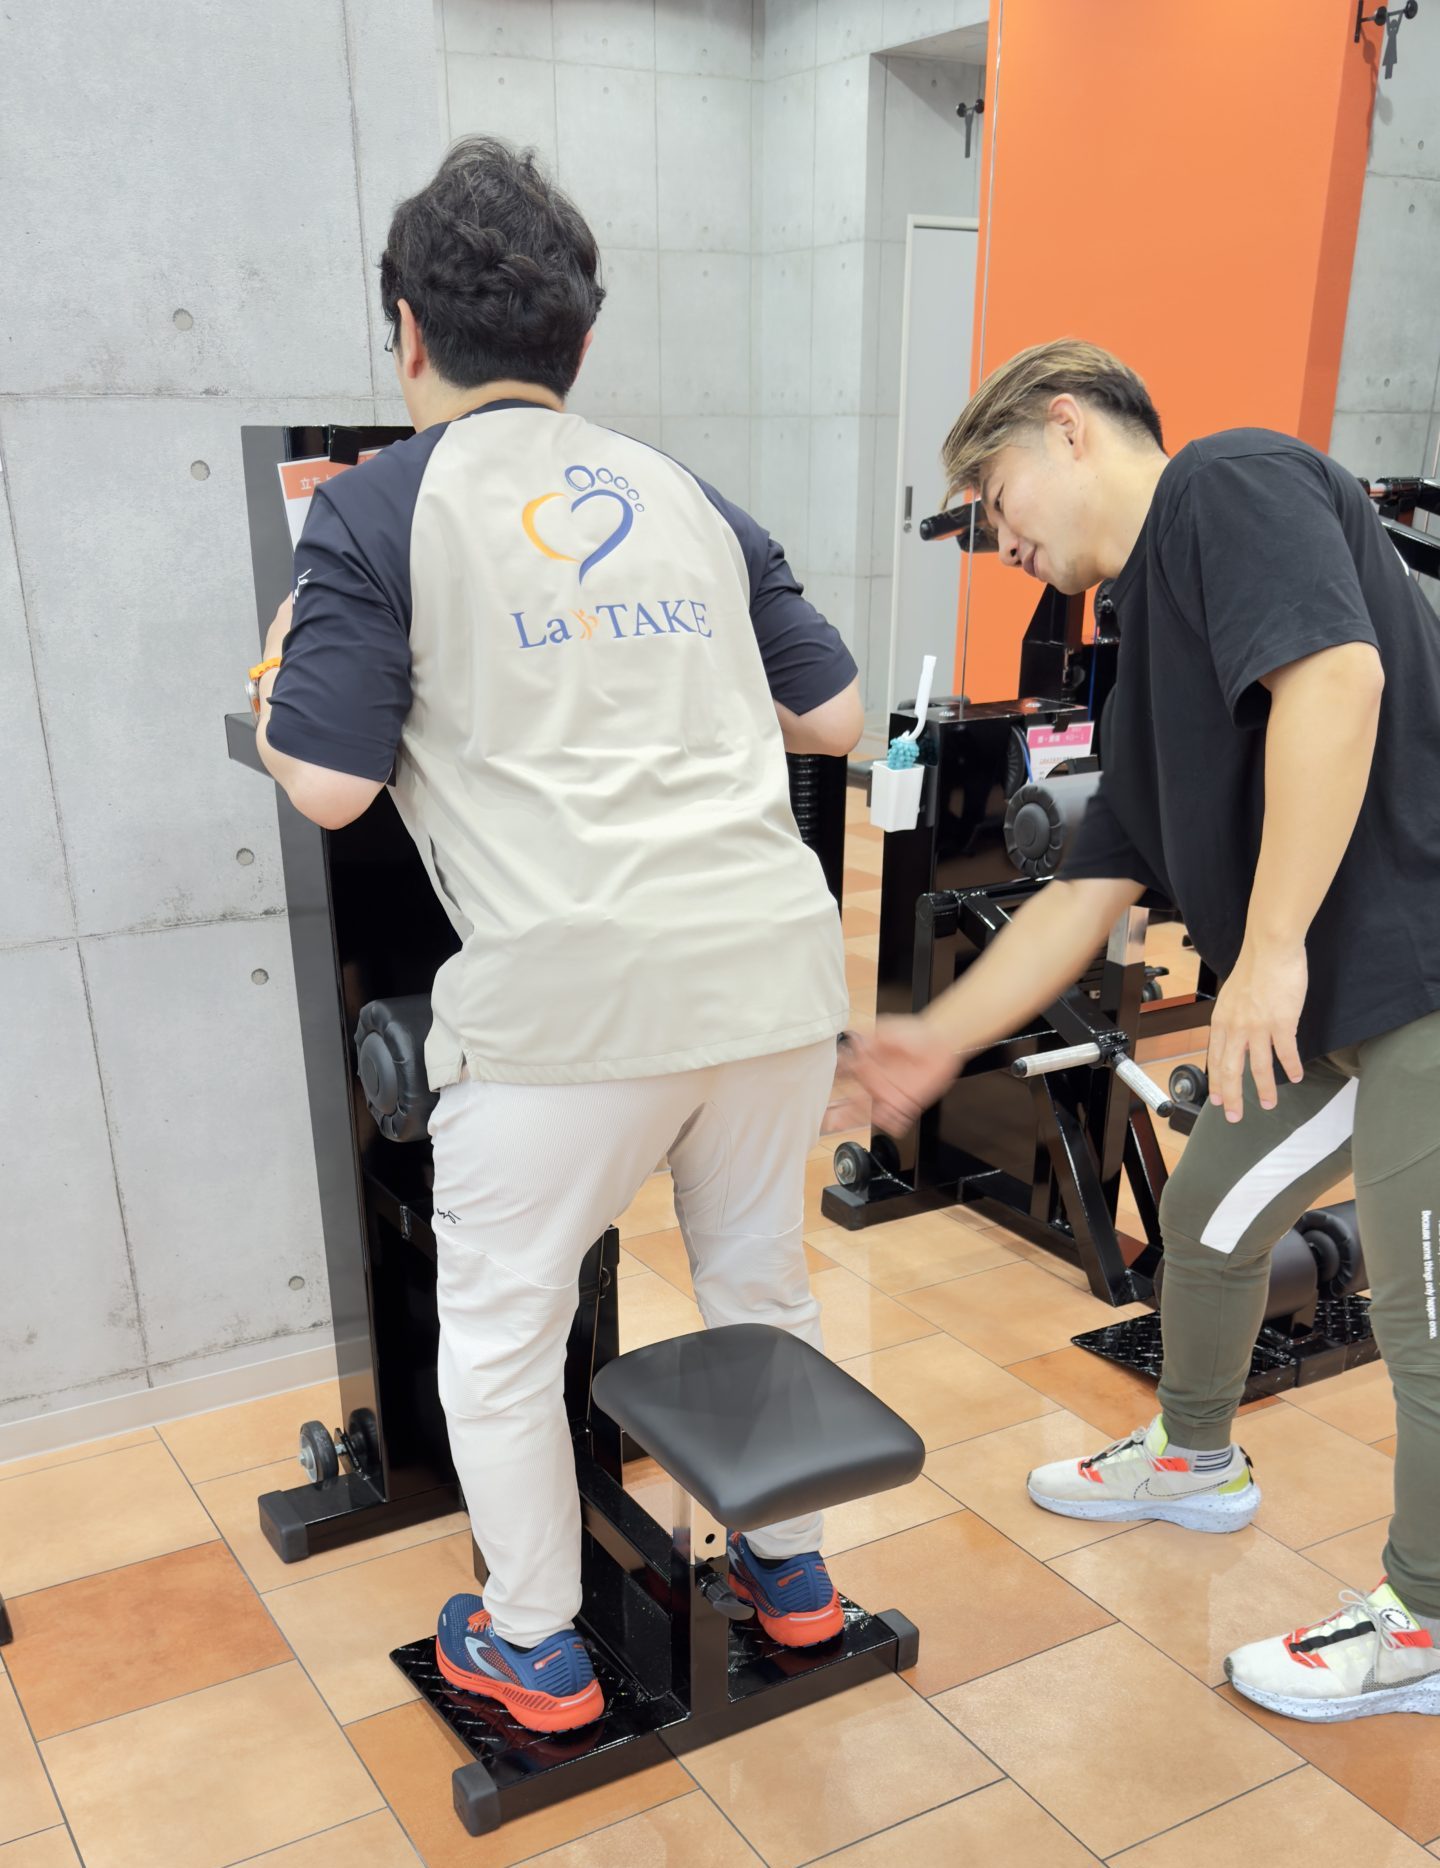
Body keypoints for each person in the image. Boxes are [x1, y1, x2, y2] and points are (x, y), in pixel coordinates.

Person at [252, 137, 863, 1733]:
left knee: (503, 1329)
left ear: (406, 331)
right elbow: (836, 713)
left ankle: (533, 1644)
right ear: (583, 341)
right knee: (759, 1279)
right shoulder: (688, 494)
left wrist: (280, 674)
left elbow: (328, 782)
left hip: (572, 1003)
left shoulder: (375, 509)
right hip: (775, 973)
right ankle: (792, 1575)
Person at [846, 337, 1440, 1725]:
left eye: (996, 497)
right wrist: (938, 1038)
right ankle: (1194, 1458)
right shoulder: (1140, 653)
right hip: (1342, 1006)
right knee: (1210, 1216)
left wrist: (1270, 949)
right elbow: (1087, 888)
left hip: (1417, 980)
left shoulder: (1227, 483)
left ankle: (1425, 1621)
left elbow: (1338, 679)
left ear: (1066, 425)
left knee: (1421, 1308)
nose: (1000, 540)